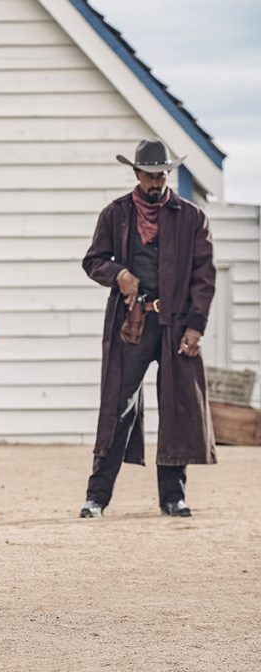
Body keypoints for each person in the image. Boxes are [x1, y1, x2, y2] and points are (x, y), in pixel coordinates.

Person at [80, 138, 216, 519]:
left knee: (176, 406)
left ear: (167, 174)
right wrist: (118, 273)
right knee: (117, 406)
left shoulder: (191, 216)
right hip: (132, 323)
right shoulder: (115, 213)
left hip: (177, 326)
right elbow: (93, 261)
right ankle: (97, 497)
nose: (155, 182)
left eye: (160, 175)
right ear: (136, 173)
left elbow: (204, 276)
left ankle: (173, 497)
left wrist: (196, 326)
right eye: (148, 175)